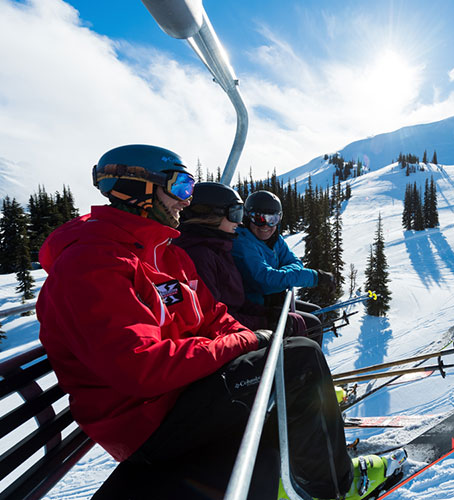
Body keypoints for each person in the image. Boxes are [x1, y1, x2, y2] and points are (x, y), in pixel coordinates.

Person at [35, 145, 396, 500]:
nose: (185, 201)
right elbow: (140, 367)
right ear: (135, 188)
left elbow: (213, 317)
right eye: (179, 188)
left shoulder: (164, 254)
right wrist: (247, 342)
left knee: (287, 355)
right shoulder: (93, 263)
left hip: (181, 393)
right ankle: (332, 487)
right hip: (146, 421)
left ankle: (298, 449)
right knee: (299, 359)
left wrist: (248, 339)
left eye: (189, 190)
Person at [172, 181, 309, 339]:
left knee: (299, 323)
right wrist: (265, 321)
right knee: (305, 345)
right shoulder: (200, 256)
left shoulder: (221, 248)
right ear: (210, 215)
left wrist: (268, 315)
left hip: (239, 324)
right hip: (224, 339)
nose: (239, 222)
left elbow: (237, 302)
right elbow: (213, 319)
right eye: (235, 214)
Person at [232, 190, 334, 341]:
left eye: (273, 219)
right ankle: (303, 360)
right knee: (313, 322)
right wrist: (313, 276)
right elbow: (266, 280)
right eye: (259, 218)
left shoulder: (275, 239)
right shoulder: (242, 241)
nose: (266, 225)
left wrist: (280, 274)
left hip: (272, 300)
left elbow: (296, 263)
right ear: (248, 217)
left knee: (316, 312)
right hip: (256, 305)